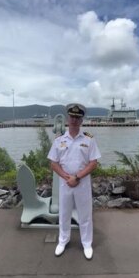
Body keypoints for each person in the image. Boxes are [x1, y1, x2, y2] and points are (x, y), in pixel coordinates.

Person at [47, 103, 101, 260]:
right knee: (64, 214)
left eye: (78, 117)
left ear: (82, 120)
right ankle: (63, 241)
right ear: (68, 118)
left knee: (85, 215)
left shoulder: (89, 139)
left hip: (82, 183)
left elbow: (93, 163)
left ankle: (86, 243)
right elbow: (53, 163)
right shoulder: (59, 140)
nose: (75, 120)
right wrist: (66, 177)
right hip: (65, 183)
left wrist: (77, 177)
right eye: (72, 117)